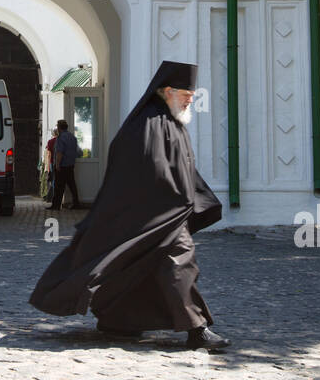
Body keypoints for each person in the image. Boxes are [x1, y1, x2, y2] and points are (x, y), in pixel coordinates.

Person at [29, 60, 229, 350]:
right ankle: (197, 330)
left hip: (166, 212)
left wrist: (193, 198)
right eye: (187, 94)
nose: (191, 100)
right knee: (179, 264)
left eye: (193, 96)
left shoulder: (168, 120)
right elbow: (150, 170)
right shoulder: (148, 124)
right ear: (167, 91)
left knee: (144, 269)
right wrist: (174, 201)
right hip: (156, 214)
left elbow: (181, 168)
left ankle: (120, 322)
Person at [47, 118, 82, 211]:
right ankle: (76, 203)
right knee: (72, 185)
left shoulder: (61, 138)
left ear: (59, 128)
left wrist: (57, 164)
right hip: (70, 165)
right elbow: (78, 151)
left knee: (59, 186)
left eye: (57, 126)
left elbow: (59, 153)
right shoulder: (72, 137)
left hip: (62, 166)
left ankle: (56, 205)